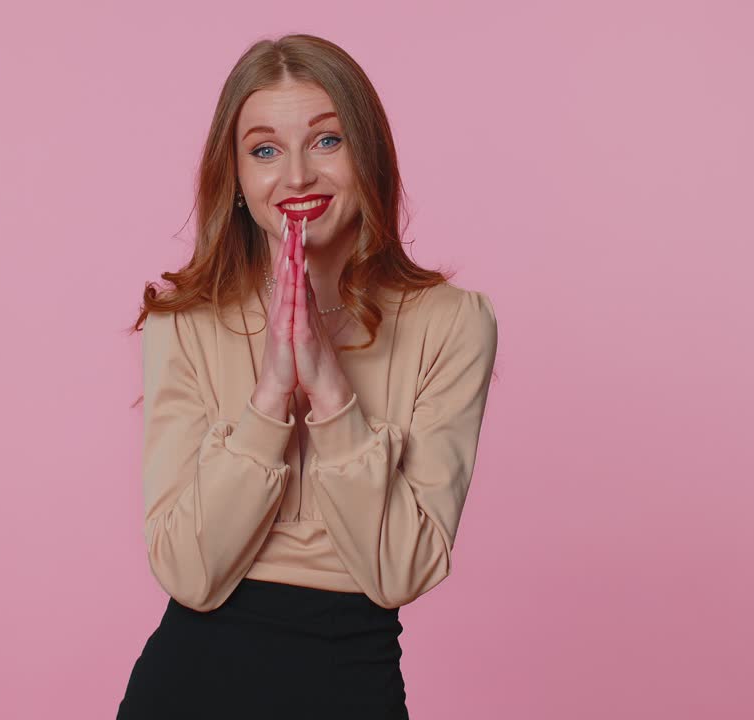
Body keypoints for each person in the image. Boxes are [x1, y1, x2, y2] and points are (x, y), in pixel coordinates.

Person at [117, 33, 499, 720]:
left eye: (327, 141)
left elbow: (399, 571)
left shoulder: (454, 323)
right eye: (264, 150)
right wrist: (268, 399)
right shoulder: (185, 322)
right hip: (187, 687)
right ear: (235, 180)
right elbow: (186, 573)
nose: (296, 177)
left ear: (369, 156)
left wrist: (330, 393)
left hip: (353, 681)